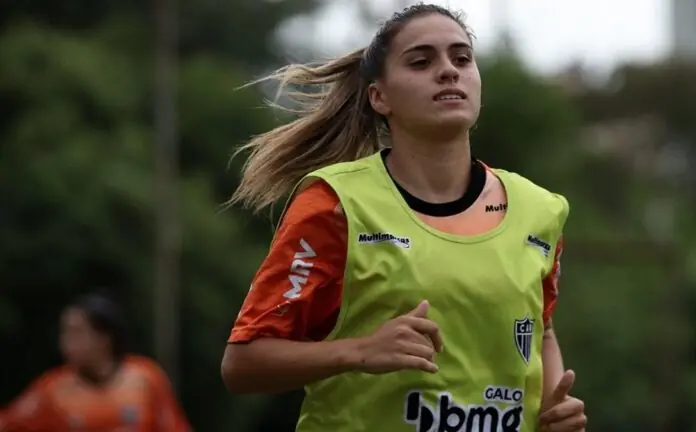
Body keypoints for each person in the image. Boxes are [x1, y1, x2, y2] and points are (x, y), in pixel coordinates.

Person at [222, 3, 586, 432]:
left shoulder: (539, 210)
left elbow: (539, 328)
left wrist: (551, 409)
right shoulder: (336, 204)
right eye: (421, 61)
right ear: (380, 96)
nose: (449, 70)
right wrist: (358, 351)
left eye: (462, 58)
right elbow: (243, 364)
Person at [0, 292, 190, 432]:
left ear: (104, 338)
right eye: (64, 333)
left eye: (76, 332)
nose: (65, 343)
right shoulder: (52, 390)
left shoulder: (146, 379)